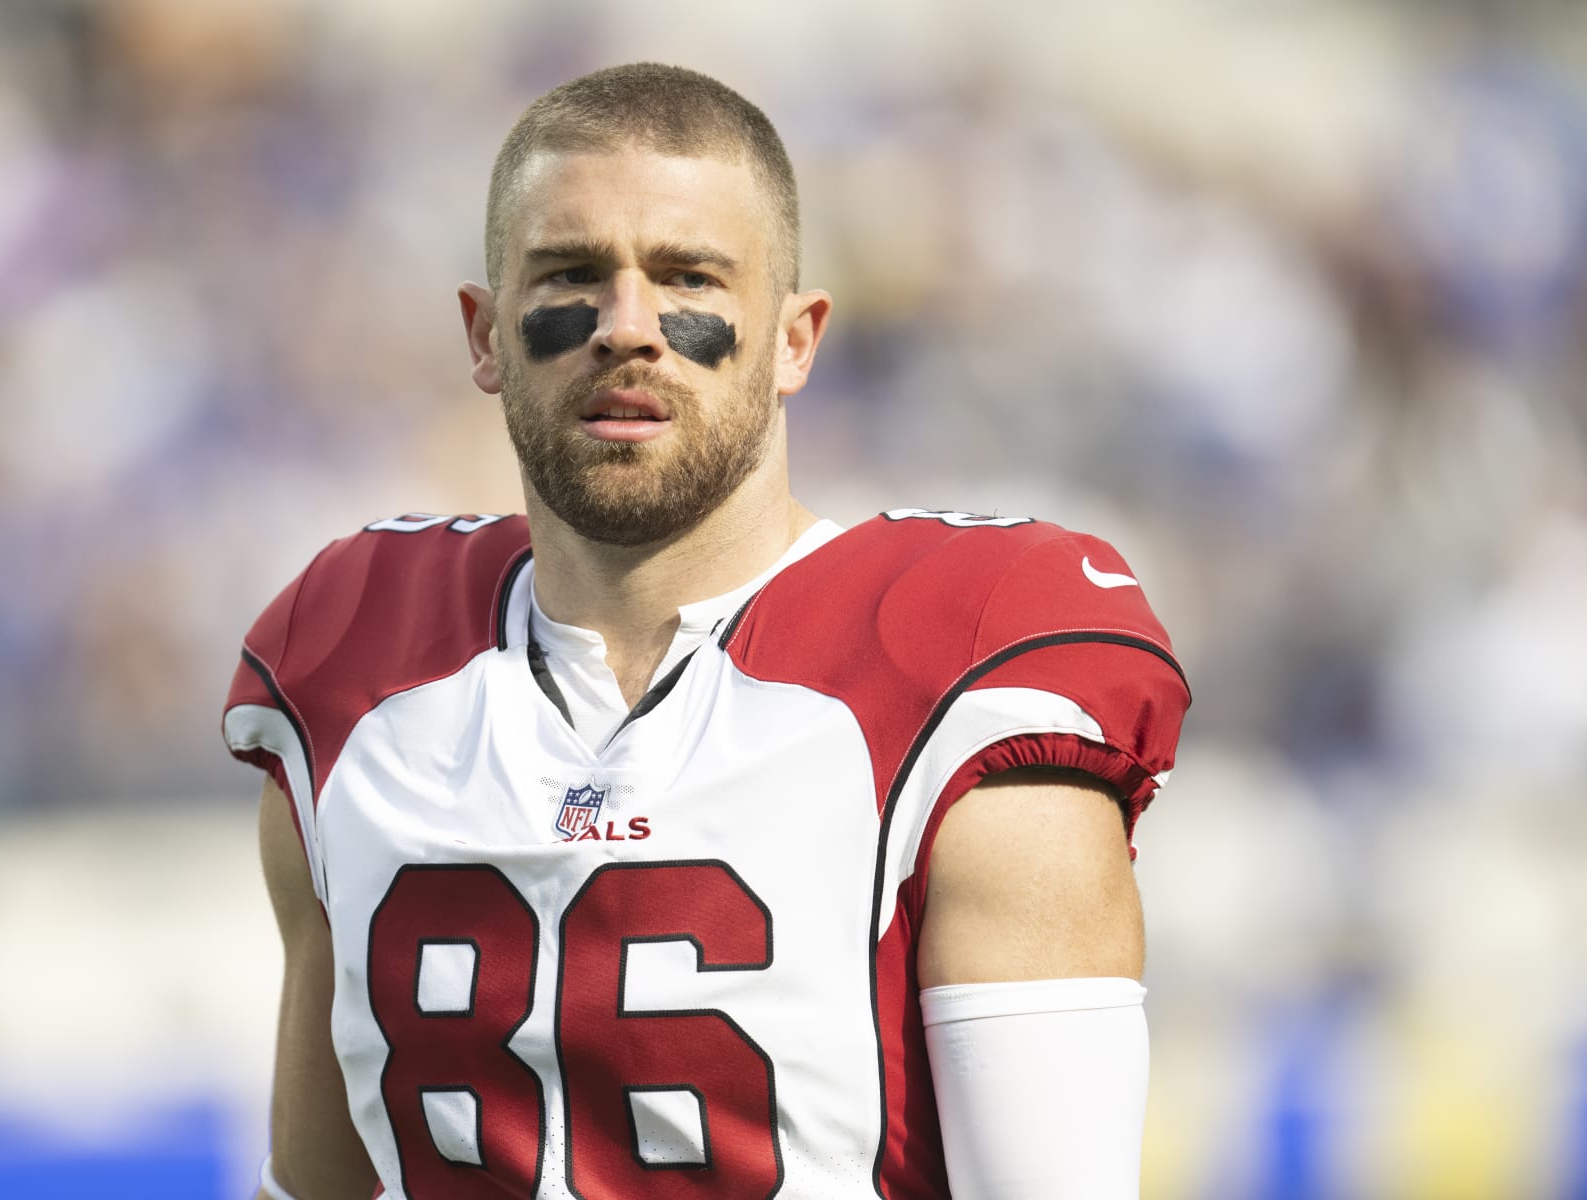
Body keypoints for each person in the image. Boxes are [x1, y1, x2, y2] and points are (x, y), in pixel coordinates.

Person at [223, 62, 1189, 1200]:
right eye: (573, 274)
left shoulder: (962, 663)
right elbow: (320, 1184)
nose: (628, 329)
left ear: (795, 339)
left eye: (688, 276)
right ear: (485, 335)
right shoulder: (357, 662)